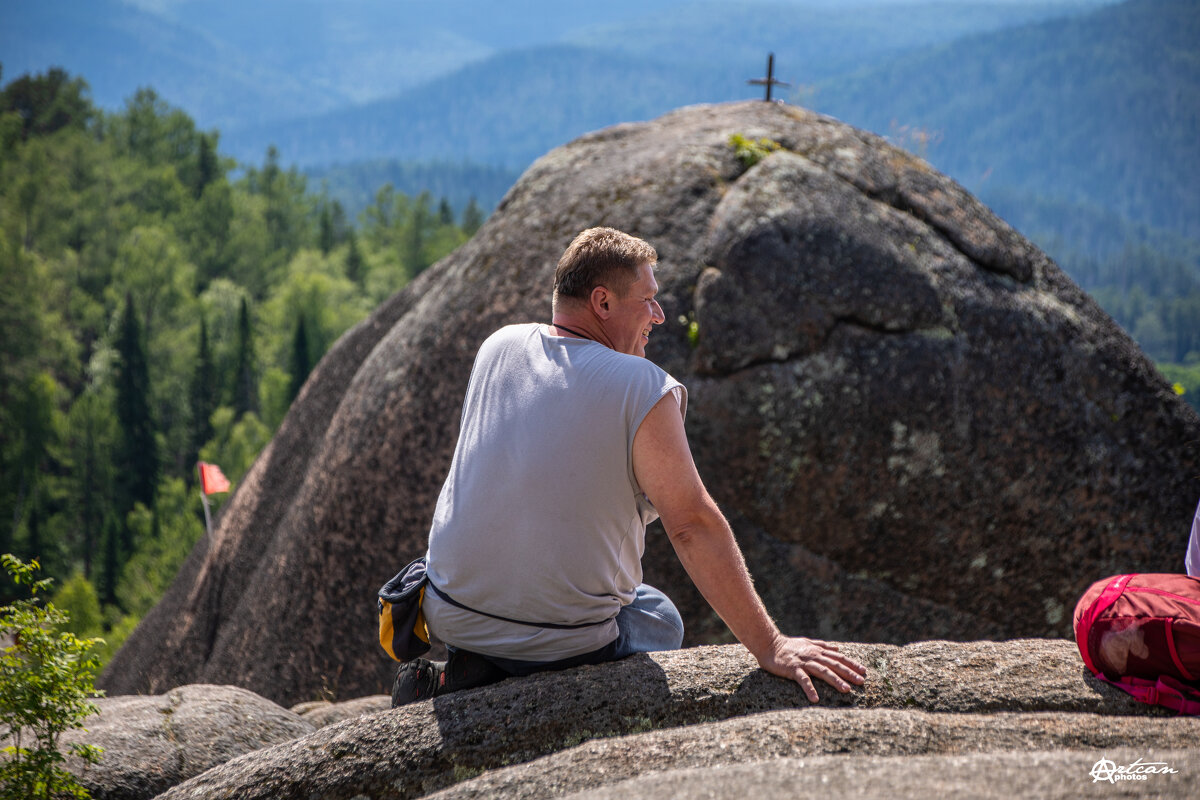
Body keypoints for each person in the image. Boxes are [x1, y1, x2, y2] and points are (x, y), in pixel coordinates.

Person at [392, 227, 866, 706]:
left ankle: (465, 673)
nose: (658, 316)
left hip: (449, 614)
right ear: (602, 302)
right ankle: (508, 669)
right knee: (659, 615)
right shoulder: (643, 386)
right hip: (561, 639)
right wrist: (772, 645)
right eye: (648, 299)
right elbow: (691, 526)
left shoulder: (499, 346)